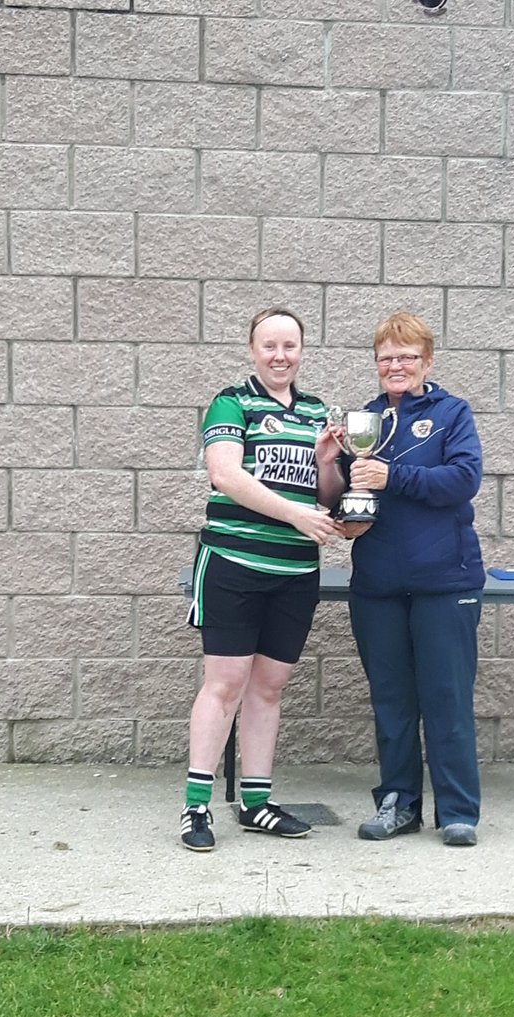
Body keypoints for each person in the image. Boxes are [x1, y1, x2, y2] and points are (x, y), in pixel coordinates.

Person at [181, 307, 345, 851]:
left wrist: (325, 461)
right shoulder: (232, 401)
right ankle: (196, 807)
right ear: (253, 350)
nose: (280, 356)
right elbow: (225, 474)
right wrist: (295, 515)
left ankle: (255, 802)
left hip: (296, 572)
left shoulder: (318, 411)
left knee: (269, 689)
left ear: (302, 351)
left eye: (290, 346)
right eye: (269, 346)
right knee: (224, 685)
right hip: (234, 566)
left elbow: (326, 500)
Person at [341, 311, 486, 846]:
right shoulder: (366, 421)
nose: (395, 365)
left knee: (446, 698)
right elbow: (349, 499)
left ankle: (458, 811)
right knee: (392, 702)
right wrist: (334, 465)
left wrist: (392, 475)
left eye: (406, 356)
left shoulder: (453, 413)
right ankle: (397, 804)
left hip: (446, 582)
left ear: (427, 360)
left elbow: (463, 480)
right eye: (386, 357)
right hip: (378, 584)